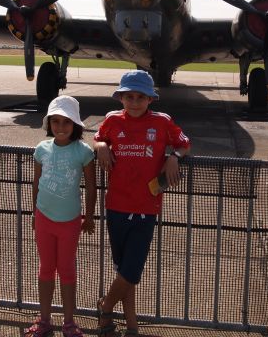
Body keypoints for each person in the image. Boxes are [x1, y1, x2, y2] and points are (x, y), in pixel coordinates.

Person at [93, 70, 190, 336]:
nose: (134, 102)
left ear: (150, 99)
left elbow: (184, 144)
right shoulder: (112, 120)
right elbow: (98, 136)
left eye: (140, 97)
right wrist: (100, 145)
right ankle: (132, 324)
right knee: (125, 269)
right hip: (116, 206)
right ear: (121, 98)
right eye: (129, 96)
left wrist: (173, 156)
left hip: (147, 207)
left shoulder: (162, 122)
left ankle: (106, 306)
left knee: (132, 268)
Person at [26, 95, 97, 337]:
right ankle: (44, 319)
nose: (60, 127)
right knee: (46, 269)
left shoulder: (83, 152)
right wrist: (34, 213)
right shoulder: (41, 149)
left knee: (66, 270)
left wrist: (89, 216)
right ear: (49, 124)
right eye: (55, 121)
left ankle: (69, 321)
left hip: (69, 222)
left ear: (75, 125)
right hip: (44, 217)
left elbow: (90, 186)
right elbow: (36, 182)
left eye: (66, 122)